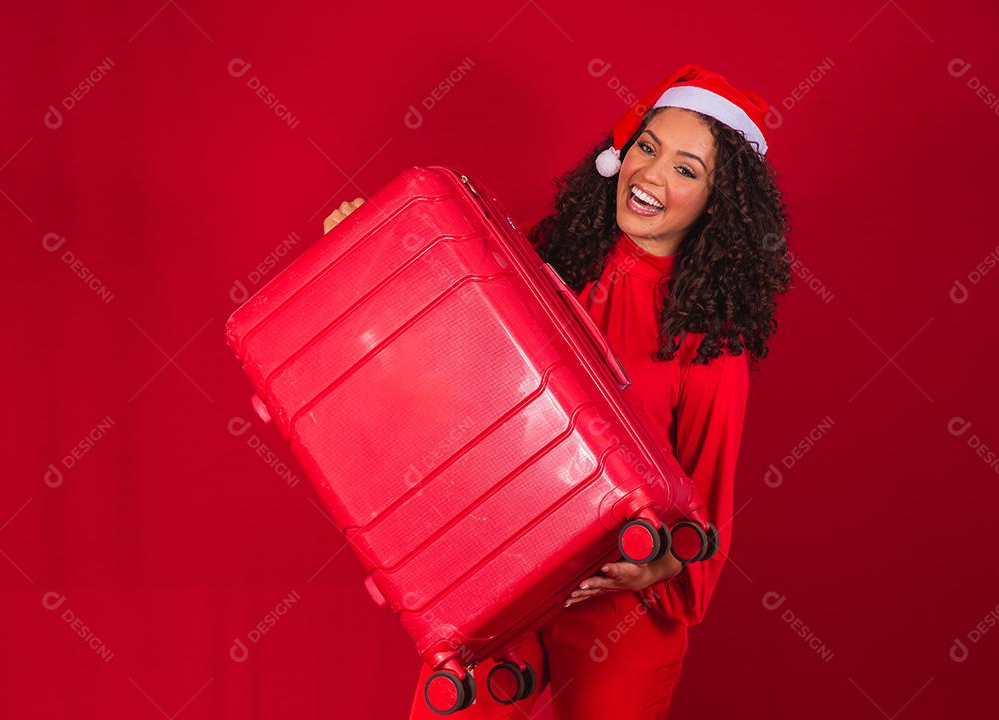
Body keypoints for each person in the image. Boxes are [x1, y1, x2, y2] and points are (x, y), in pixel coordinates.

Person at [325, 63, 791, 719]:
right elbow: (443, 372)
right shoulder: (543, 257)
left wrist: (661, 570)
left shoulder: (711, 342)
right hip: (504, 577)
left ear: (716, 201)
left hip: (620, 601)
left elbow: (705, 508)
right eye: (648, 148)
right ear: (620, 155)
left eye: (686, 169)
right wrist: (364, 252)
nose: (652, 176)